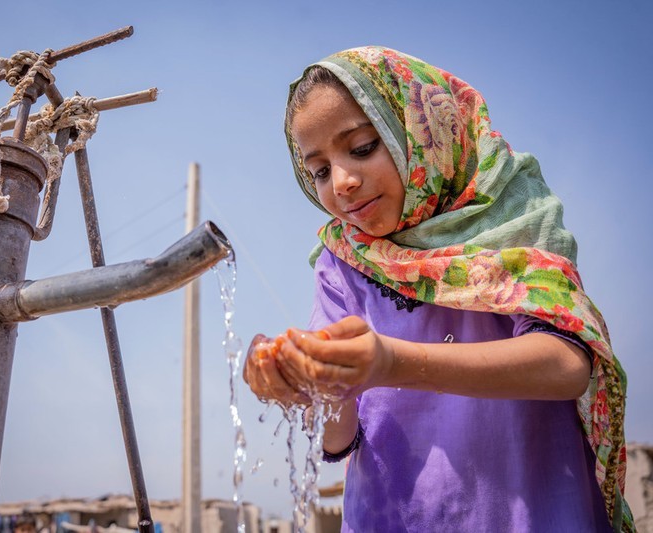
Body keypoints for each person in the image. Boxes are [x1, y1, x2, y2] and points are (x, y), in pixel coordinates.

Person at [243, 46, 634, 532]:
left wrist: (391, 362)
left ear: (423, 132)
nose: (340, 182)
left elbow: (567, 365)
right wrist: (304, 382)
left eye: (363, 146)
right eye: (319, 170)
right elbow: (337, 437)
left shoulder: (510, 218)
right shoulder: (344, 261)